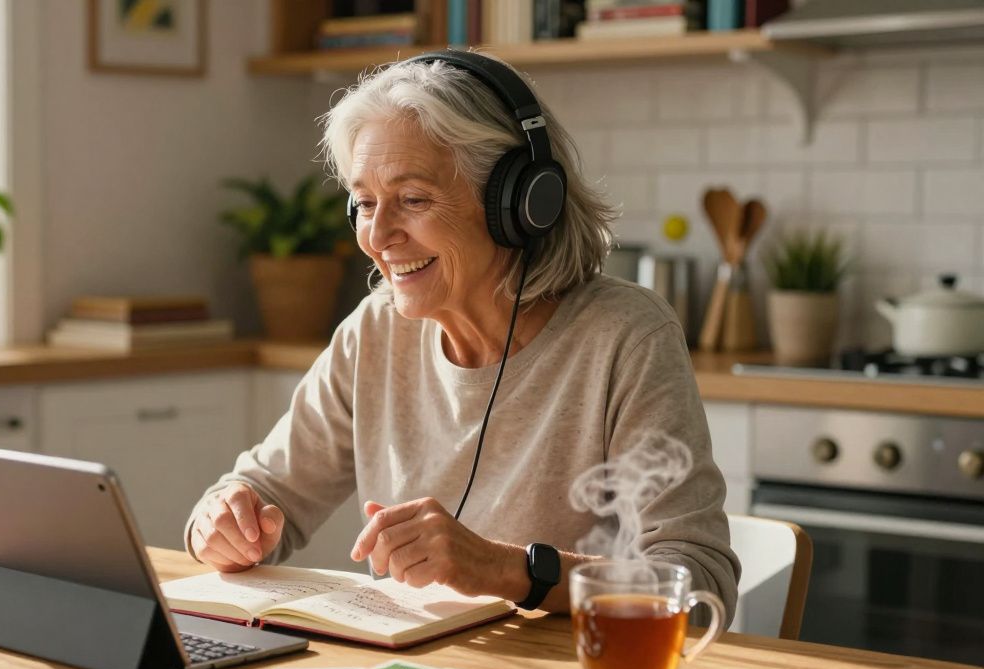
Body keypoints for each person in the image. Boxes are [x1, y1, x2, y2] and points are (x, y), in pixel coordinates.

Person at [183, 49, 740, 617]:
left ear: (519, 203)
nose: (378, 236)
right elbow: (264, 491)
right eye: (365, 203)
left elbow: (698, 588)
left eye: (413, 200)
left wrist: (504, 570)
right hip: (415, 666)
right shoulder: (374, 332)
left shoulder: (624, 338)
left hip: (580, 668)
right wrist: (224, 521)